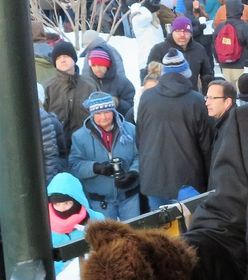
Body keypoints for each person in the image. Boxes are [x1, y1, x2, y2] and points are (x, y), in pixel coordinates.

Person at [136, 49, 214, 210]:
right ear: (186, 74)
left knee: (160, 232)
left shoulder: (146, 98)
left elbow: (140, 139)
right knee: (192, 230)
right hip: (188, 182)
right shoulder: (196, 101)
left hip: (154, 179)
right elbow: (207, 146)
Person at [69, 91, 140, 221]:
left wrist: (134, 172)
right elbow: (75, 165)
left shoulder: (130, 130)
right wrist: (96, 168)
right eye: (98, 113)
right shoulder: (79, 137)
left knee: (134, 236)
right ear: (92, 115)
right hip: (100, 201)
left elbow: (140, 156)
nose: (103, 117)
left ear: (113, 111)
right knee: (107, 239)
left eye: (107, 112)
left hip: (129, 196)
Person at [47, 171, 105, 275]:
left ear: (77, 200)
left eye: (67, 203)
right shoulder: (44, 226)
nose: (62, 208)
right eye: (57, 204)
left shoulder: (96, 219)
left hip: (91, 276)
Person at [44, 40, 97, 148]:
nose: (62, 60)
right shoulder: (48, 88)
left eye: (65, 56)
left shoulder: (89, 85)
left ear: (74, 58)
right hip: (58, 148)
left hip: (87, 146)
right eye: (58, 58)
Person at [146, 15, 214, 92]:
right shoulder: (159, 49)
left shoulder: (199, 49)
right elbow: (149, 75)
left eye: (186, 31)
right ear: (172, 32)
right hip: (166, 98)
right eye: (178, 31)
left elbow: (207, 74)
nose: (182, 35)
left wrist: (207, 94)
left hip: (191, 97)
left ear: (191, 33)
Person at [84, 47, 136, 120]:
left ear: (108, 65)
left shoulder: (123, 83)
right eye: (93, 65)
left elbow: (133, 109)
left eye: (101, 64)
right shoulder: (86, 83)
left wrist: (118, 102)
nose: (97, 69)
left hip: (119, 126)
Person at [214, 0, 248, 83]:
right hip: (241, 67)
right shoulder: (245, 27)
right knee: (241, 93)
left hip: (224, 67)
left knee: (228, 93)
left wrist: (219, 60)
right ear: (241, 9)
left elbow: (214, 46)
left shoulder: (220, 27)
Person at [204, 78, 237, 154]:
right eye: (207, 98)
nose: (207, 103)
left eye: (212, 98)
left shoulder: (231, 130)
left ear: (227, 102)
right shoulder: (224, 122)